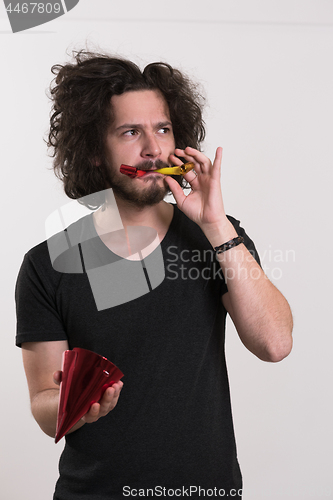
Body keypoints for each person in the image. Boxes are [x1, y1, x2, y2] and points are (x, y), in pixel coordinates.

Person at [15, 51, 293, 500]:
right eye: (130, 132)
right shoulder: (46, 265)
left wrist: (216, 225)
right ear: (93, 152)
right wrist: (77, 406)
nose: (154, 149)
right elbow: (44, 408)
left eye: (162, 129)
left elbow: (275, 344)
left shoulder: (217, 237)